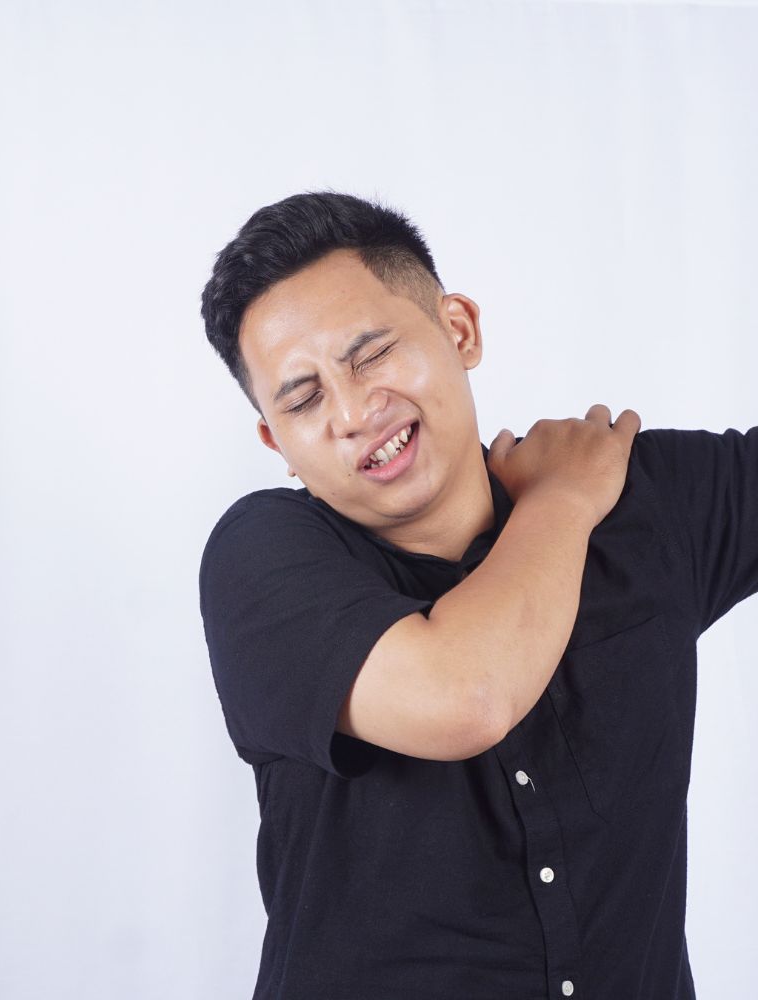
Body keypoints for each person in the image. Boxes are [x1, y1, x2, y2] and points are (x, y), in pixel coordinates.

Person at [197, 191, 757, 1000]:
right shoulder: (259, 559)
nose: (353, 412)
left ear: (459, 330)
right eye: (304, 398)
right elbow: (467, 695)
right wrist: (561, 500)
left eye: (370, 355)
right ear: (274, 439)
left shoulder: (645, 505)